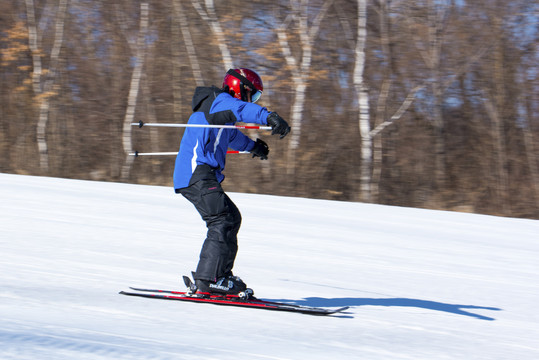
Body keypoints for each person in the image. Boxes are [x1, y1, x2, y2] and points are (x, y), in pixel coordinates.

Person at [173, 68, 290, 295]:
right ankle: (209, 279)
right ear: (240, 87)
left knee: (230, 218)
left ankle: (220, 276)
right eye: (253, 95)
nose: (253, 100)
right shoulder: (219, 102)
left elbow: (232, 137)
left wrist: (254, 147)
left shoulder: (221, 113)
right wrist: (269, 116)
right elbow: (241, 109)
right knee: (222, 219)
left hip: (201, 175)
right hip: (196, 174)